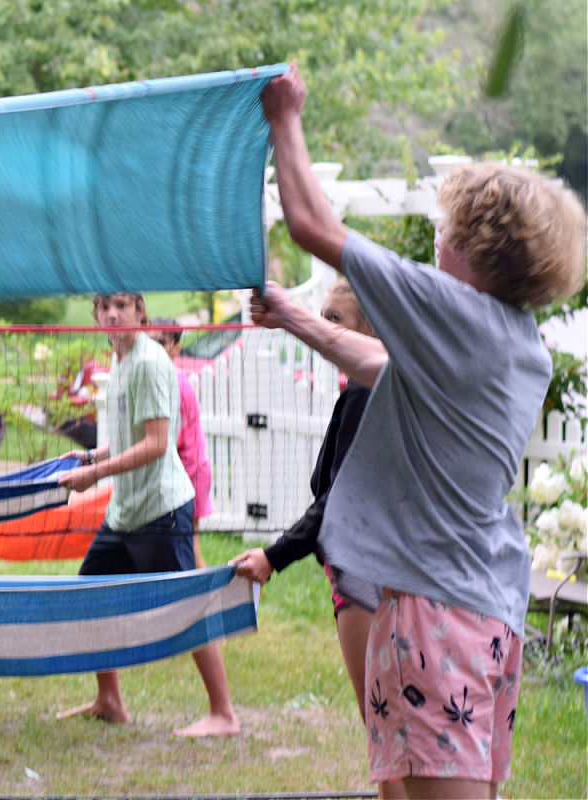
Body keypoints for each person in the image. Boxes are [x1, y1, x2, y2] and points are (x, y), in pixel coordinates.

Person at [256, 63, 585, 799]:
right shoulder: (515, 340)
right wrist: (293, 315)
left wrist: (286, 114)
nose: (438, 239)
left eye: (446, 228)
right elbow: (379, 361)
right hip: (488, 607)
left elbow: (311, 225)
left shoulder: (451, 310)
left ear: (469, 244)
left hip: (435, 614)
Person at [56, 292, 239, 737]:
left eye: (122, 304)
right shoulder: (119, 361)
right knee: (91, 597)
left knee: (187, 609)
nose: (113, 313)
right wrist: (90, 457)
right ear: (96, 316)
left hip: (162, 510)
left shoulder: (150, 361)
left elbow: (158, 443)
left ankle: (223, 714)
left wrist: (96, 473)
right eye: (105, 307)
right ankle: (109, 700)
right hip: (125, 513)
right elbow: (127, 436)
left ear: (140, 311)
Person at [229, 280, 379, 722]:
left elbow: (339, 496)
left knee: (380, 721)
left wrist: (274, 556)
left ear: (366, 332)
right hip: (361, 566)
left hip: (363, 573)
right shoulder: (360, 387)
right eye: (322, 315)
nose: (322, 328)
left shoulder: (364, 391)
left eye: (334, 320)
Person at [149, 318, 213, 571]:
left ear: (175, 348)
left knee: (189, 553)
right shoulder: (164, 379)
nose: (154, 349)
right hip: (182, 476)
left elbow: (165, 441)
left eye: (161, 343)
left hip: (190, 477)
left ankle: (219, 597)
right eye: (150, 342)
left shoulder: (174, 384)